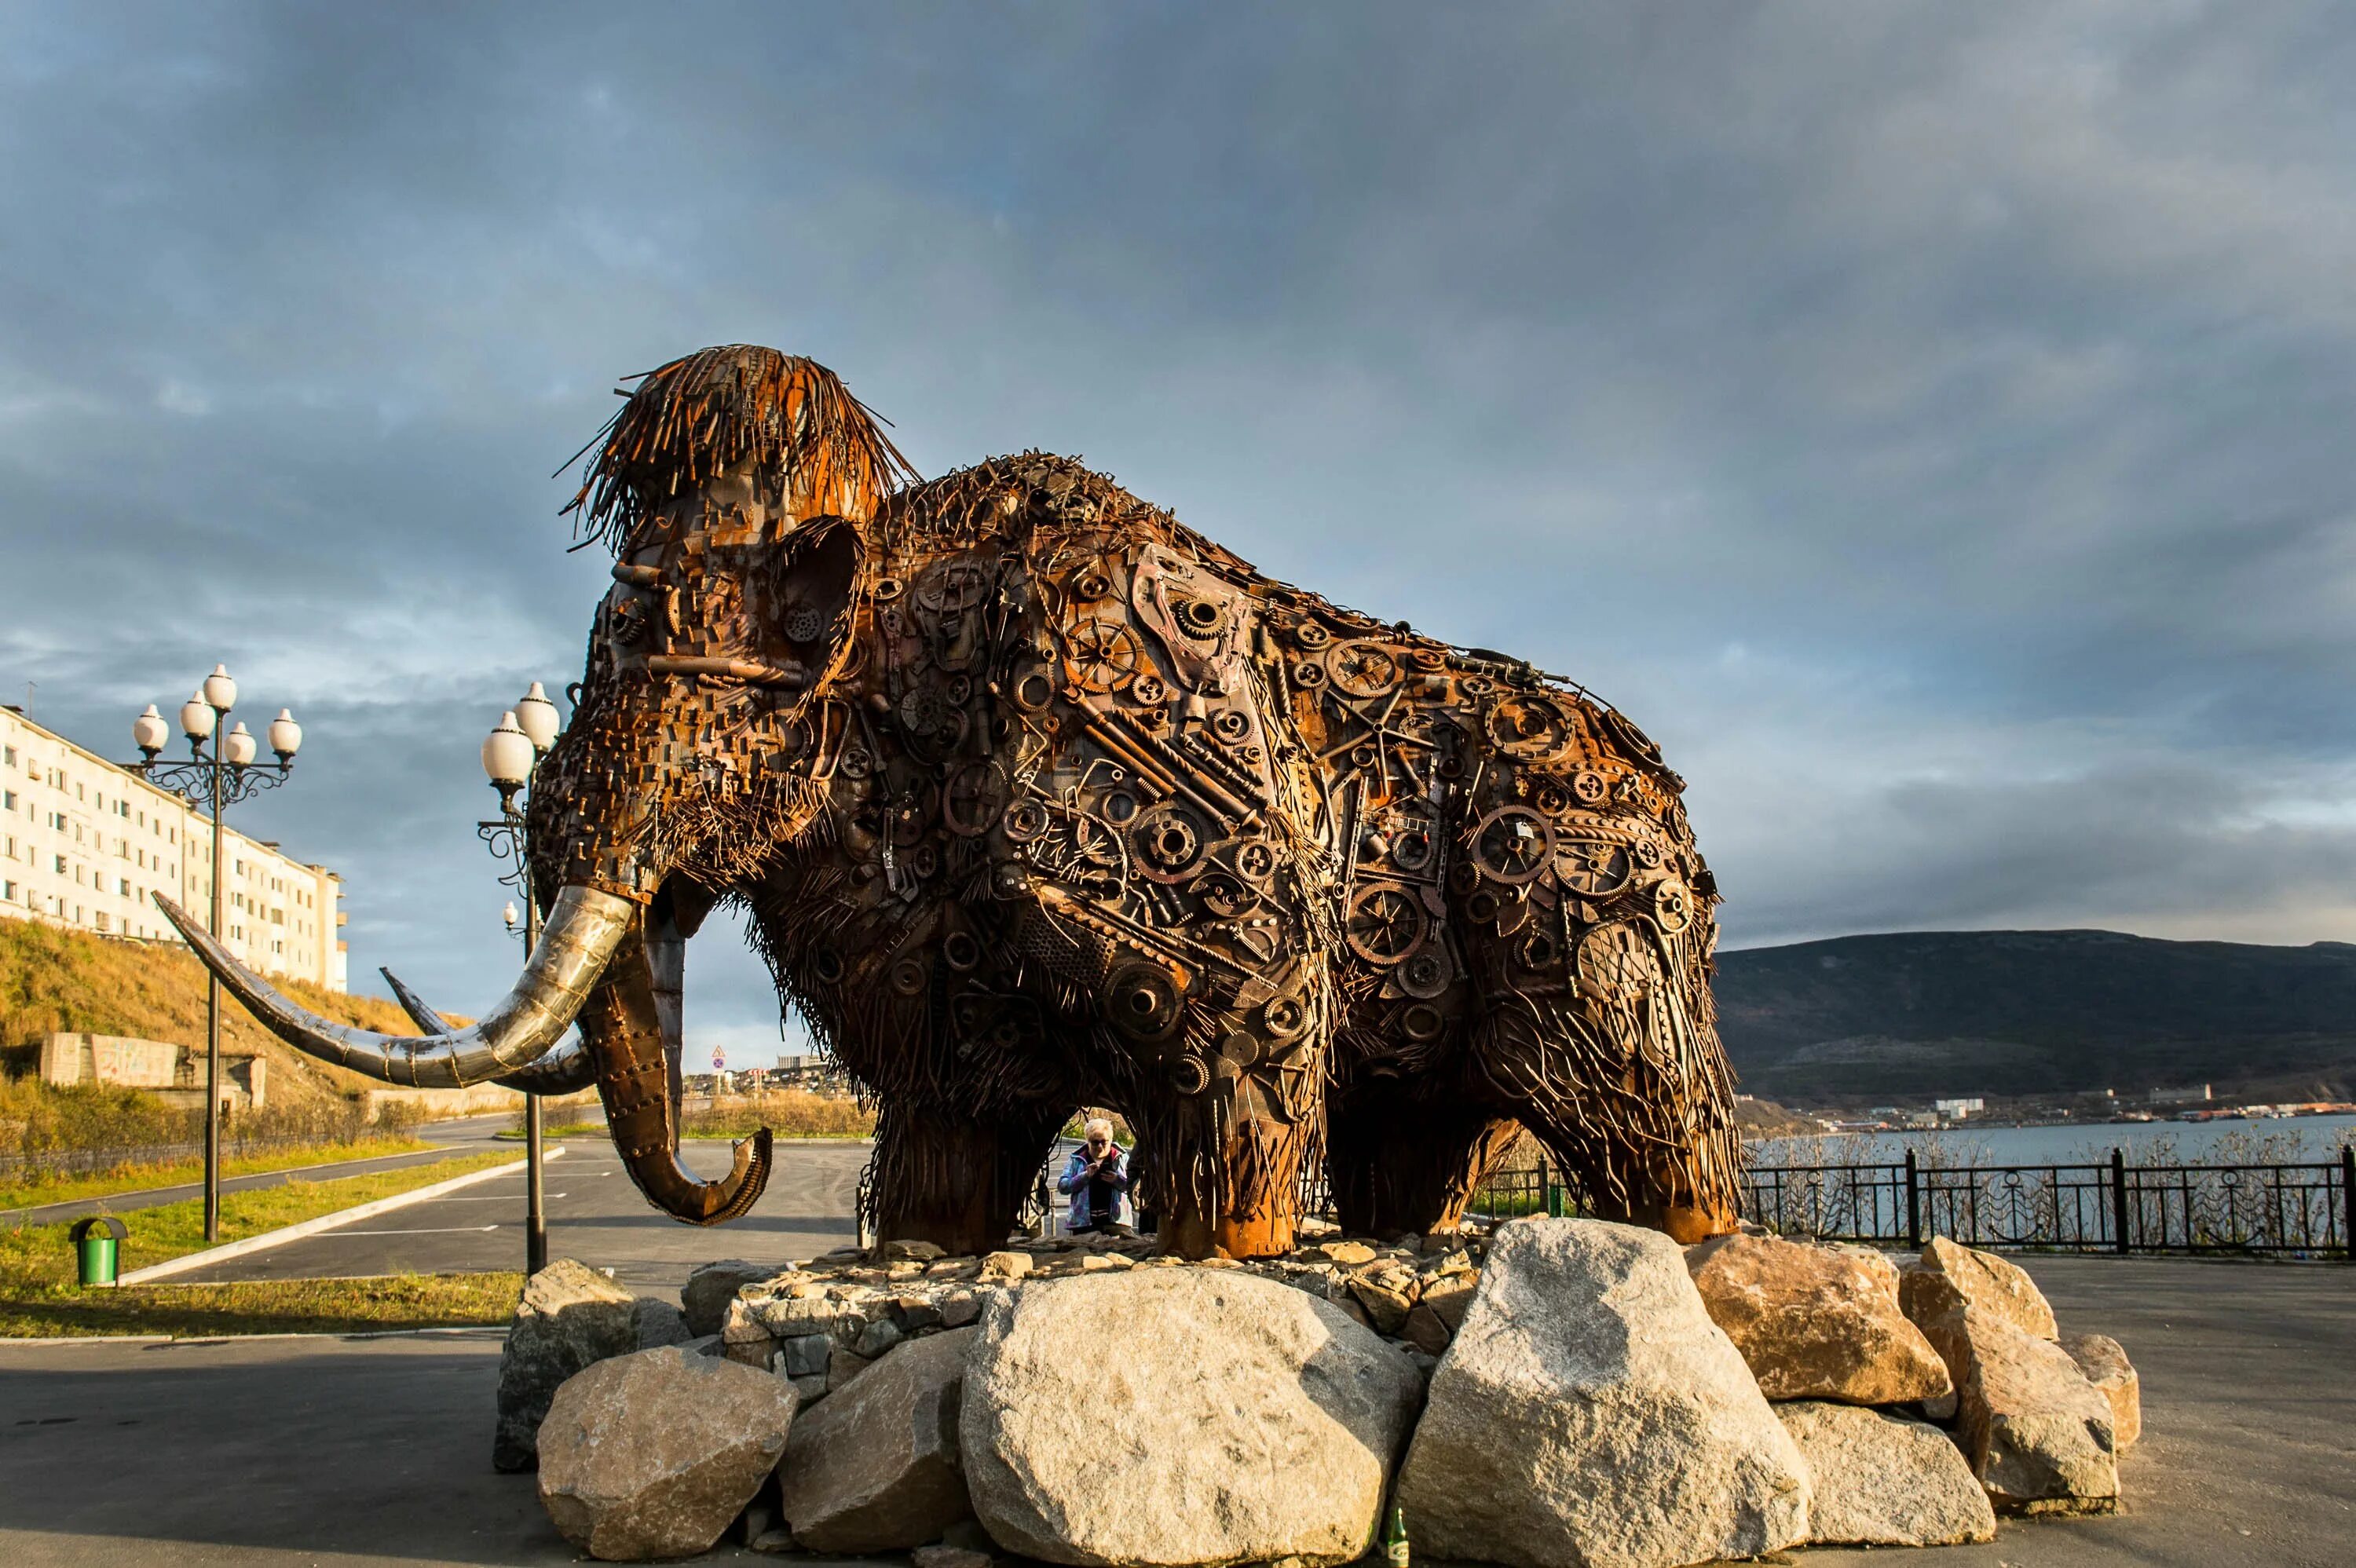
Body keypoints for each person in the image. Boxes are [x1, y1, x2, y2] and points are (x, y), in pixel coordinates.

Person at [1058, 1117, 1131, 1234]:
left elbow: (1134, 1187)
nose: (1100, 1146)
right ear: (1087, 1140)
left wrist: (1117, 1180)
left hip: (1116, 1223)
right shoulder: (1076, 1159)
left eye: (1104, 1141)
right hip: (1083, 1224)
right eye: (1095, 1142)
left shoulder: (1122, 1158)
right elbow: (1063, 1187)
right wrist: (1084, 1177)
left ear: (1111, 1140)